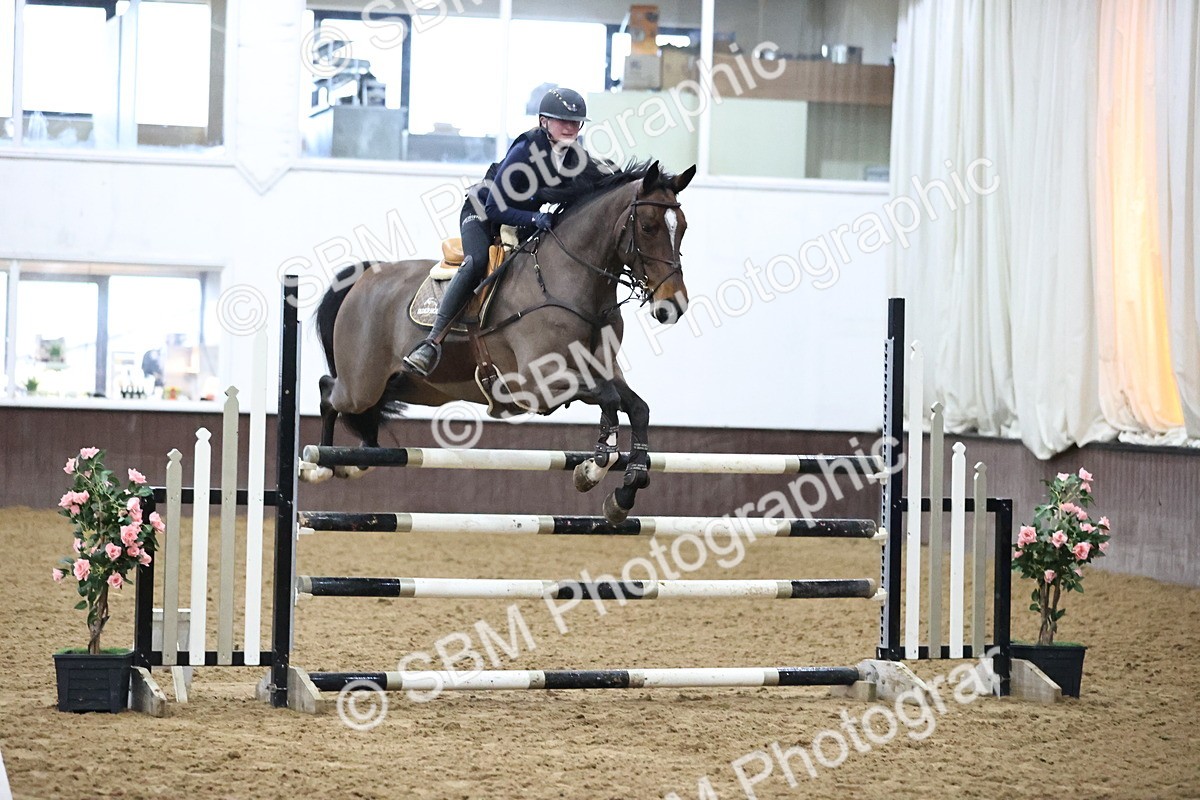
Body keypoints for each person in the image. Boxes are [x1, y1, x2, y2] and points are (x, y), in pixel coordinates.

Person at [403, 87, 607, 377]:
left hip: (521, 221)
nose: (571, 128)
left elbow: (600, 183)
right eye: (564, 121)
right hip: (482, 213)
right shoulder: (526, 150)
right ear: (543, 122)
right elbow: (495, 209)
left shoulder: (574, 154)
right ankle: (432, 341)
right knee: (475, 262)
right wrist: (535, 217)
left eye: (576, 123)